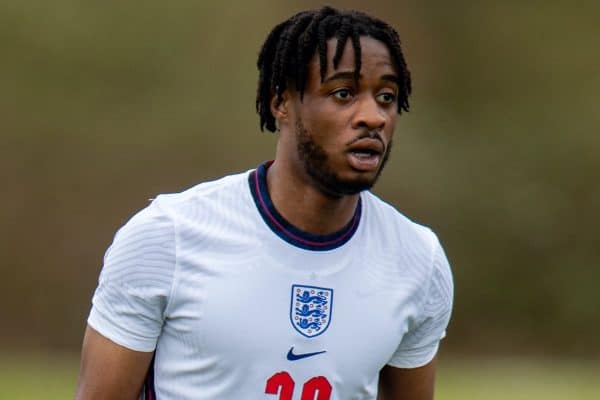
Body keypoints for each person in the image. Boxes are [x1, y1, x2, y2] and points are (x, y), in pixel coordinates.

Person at [75, 6, 453, 400]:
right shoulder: (166, 236)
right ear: (281, 102)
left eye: (387, 97)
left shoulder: (418, 260)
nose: (373, 117)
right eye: (343, 93)